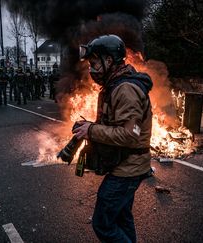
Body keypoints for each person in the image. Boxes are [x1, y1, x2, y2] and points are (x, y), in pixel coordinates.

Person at [73, 34, 153, 243]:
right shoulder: (116, 84)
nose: (91, 69)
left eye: (94, 63)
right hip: (125, 164)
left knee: (103, 223)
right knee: (121, 217)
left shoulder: (125, 89)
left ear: (109, 61)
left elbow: (130, 134)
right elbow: (118, 125)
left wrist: (92, 131)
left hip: (128, 168)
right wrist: (91, 126)